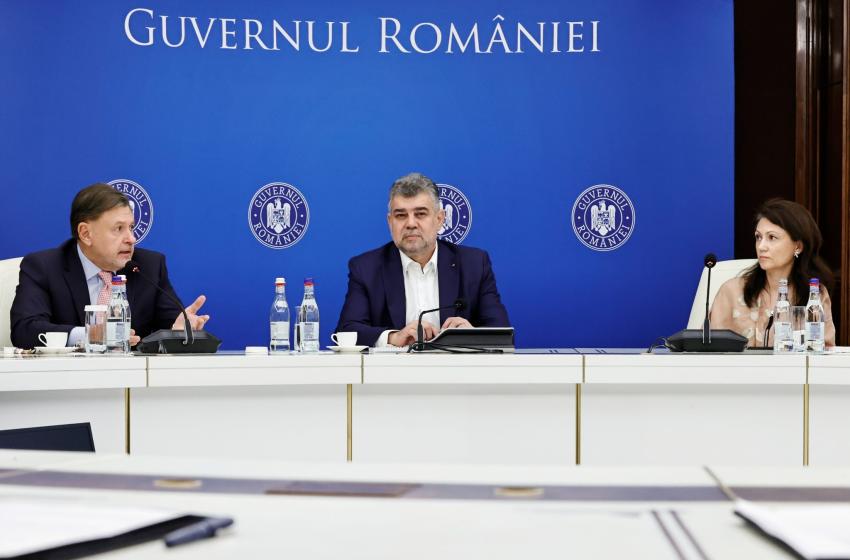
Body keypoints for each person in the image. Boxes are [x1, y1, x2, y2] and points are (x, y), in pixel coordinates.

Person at [10, 183, 209, 349]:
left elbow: (171, 324)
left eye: (131, 227)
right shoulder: (44, 267)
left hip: (131, 380)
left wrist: (179, 330)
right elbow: (24, 330)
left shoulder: (148, 266)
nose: (131, 238)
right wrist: (93, 334)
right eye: (118, 228)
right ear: (86, 234)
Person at [336, 173, 510, 347]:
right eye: (401, 215)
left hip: (457, 364)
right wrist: (393, 337)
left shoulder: (474, 264)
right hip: (394, 364)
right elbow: (346, 331)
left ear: (440, 219)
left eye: (420, 214)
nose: (411, 224)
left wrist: (471, 334)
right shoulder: (366, 268)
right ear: (390, 222)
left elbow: (502, 333)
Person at [710, 198, 835, 347]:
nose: (761, 246)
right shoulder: (731, 291)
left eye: (772, 237)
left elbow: (824, 353)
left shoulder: (813, 295)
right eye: (758, 237)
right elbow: (707, 350)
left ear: (798, 246)